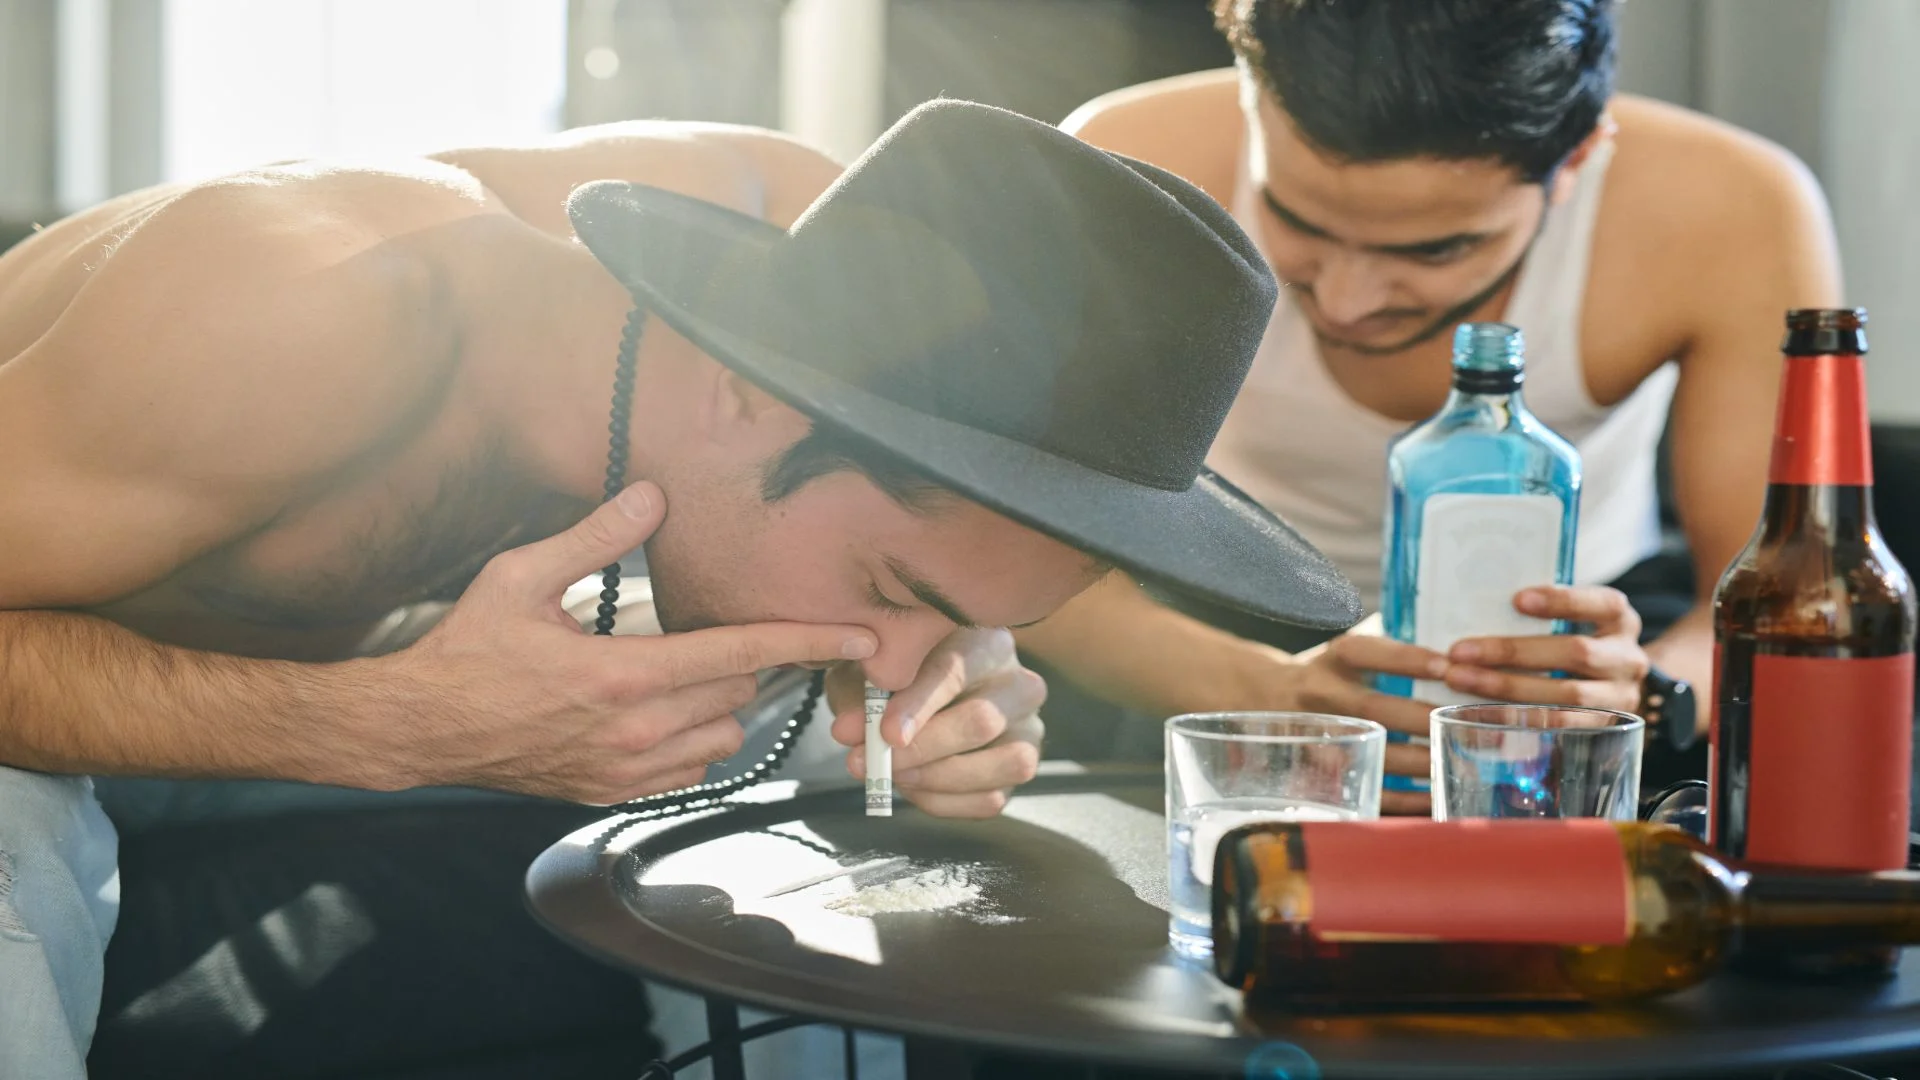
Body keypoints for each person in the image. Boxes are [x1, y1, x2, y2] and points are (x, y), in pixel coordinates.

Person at [0, 99, 1356, 1077]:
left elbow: (939, 553)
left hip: (337, 641)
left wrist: (967, 673)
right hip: (40, 663)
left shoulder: (837, 249)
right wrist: (387, 726)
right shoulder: (301, 312)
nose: (895, 656)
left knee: (847, 801)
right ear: (750, 386)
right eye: (895, 587)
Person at [1025, 0, 1843, 809]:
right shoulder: (1128, 158)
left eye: (1435, 248)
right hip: (1207, 629)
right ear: (1252, 97)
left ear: (1580, 158)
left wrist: (1646, 690)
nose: (1347, 302)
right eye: (1294, 218)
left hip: (1576, 637)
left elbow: (1768, 608)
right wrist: (1270, 690)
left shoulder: (1733, 207)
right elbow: (1016, 554)